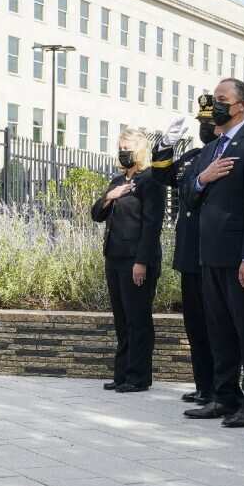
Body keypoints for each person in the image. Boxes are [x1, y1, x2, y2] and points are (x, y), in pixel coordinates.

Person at [186, 79, 244, 427]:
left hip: (241, 258)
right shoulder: (211, 150)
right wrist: (202, 178)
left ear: (241, 106)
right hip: (210, 254)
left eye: (222, 100)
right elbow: (189, 194)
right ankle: (224, 397)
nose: (215, 105)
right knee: (219, 330)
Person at [91, 128, 166, 393]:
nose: (123, 150)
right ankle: (122, 374)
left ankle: (138, 377)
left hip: (137, 260)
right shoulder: (117, 180)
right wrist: (110, 197)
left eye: (128, 146)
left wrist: (141, 262)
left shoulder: (151, 180)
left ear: (141, 149)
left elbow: (152, 225)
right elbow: (97, 215)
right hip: (114, 257)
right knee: (122, 320)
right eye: (120, 145)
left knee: (138, 319)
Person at [152, 114, 216, 407]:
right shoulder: (193, 156)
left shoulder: (232, 154)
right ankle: (203, 386)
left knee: (217, 326)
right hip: (190, 254)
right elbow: (162, 176)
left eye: (211, 121)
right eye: (202, 122)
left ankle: (221, 388)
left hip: (215, 253)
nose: (205, 127)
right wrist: (166, 145)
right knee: (196, 326)